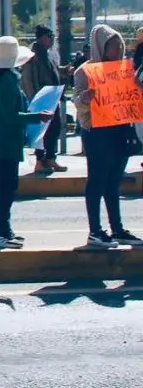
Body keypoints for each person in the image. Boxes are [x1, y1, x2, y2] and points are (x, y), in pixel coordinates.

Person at [73, 24, 143, 249]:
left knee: (114, 181)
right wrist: (87, 96)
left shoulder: (125, 70)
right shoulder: (84, 71)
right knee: (97, 180)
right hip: (96, 131)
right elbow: (77, 102)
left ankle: (118, 229)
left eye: (119, 46)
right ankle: (95, 231)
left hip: (119, 129)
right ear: (100, 47)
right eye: (112, 47)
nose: (117, 51)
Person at [0, 36, 49, 249]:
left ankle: (3, 230)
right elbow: (11, 116)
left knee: (0, 186)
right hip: (4, 141)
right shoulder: (7, 81)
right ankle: (0, 232)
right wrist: (38, 116)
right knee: (5, 188)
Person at [20, 25, 67, 175]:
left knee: (55, 128)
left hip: (52, 97)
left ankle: (51, 158)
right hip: (40, 99)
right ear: (41, 37)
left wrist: (64, 71)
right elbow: (27, 80)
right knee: (41, 132)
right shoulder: (32, 56)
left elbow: (53, 71)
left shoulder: (47, 54)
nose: (51, 40)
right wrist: (34, 100)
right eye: (49, 36)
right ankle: (40, 161)